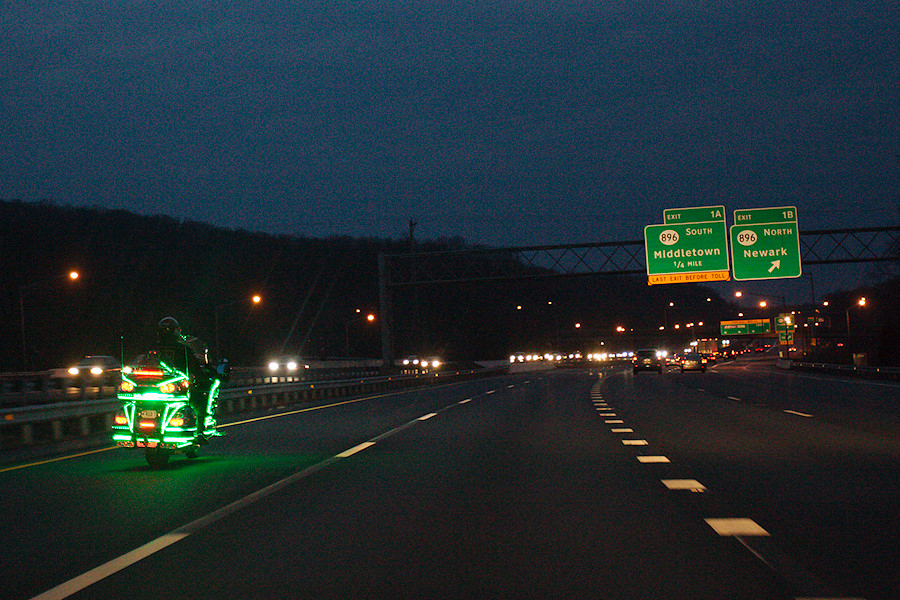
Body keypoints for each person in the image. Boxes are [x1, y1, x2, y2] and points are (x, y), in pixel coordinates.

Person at [156, 317, 216, 437]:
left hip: (152, 386)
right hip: (176, 386)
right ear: (175, 331)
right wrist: (204, 377)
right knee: (199, 400)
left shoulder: (154, 348)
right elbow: (195, 367)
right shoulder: (182, 349)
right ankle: (200, 431)